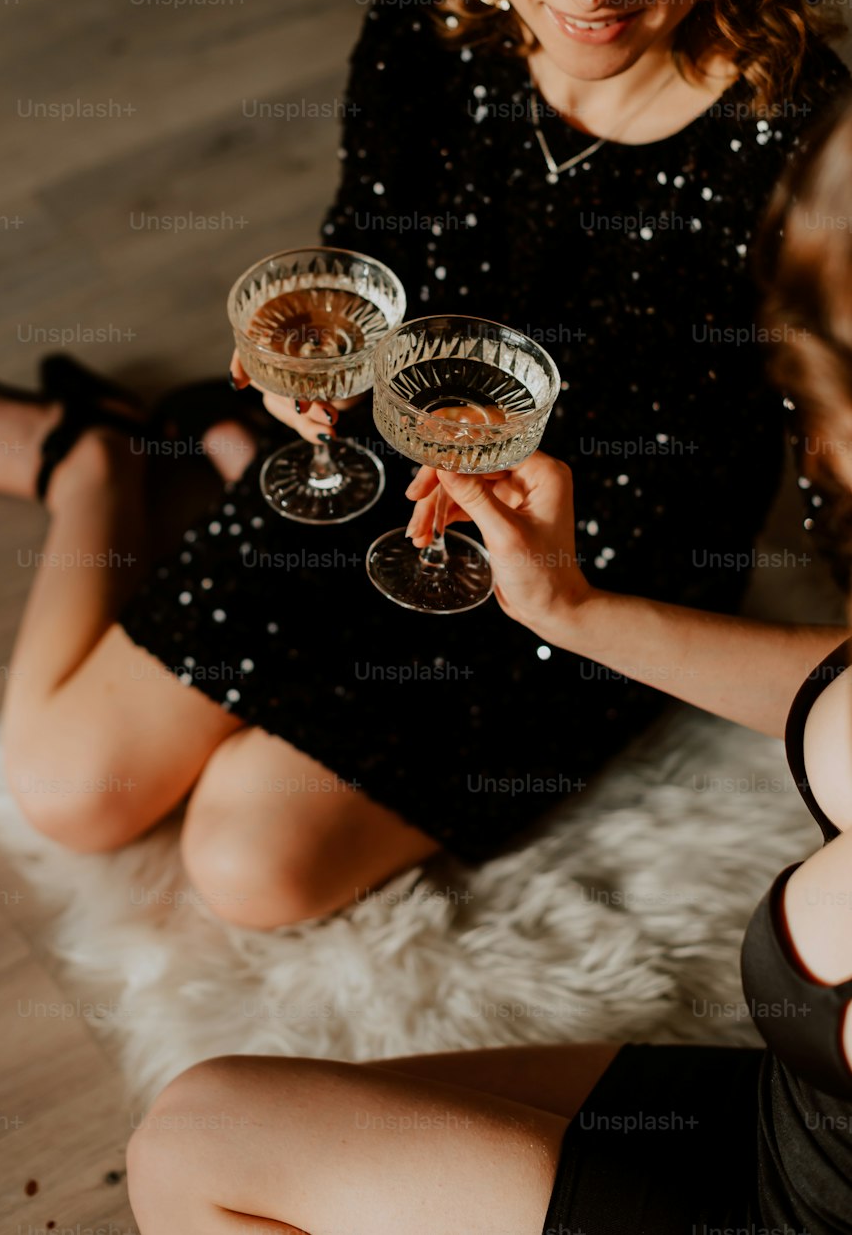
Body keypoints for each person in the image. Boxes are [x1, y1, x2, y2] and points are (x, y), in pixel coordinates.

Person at [0, 0, 849, 929]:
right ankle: (94, 461)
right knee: (68, 786)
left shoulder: (810, 153)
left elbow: (819, 464)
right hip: (377, 461)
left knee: (253, 867)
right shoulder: (422, 32)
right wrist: (322, 349)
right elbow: (367, 254)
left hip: (594, 562)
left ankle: (187, 456)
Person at [121, 82, 852, 1235]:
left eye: (819, 397)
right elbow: (836, 699)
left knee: (198, 1141)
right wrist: (569, 607)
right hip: (787, 1114)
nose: (813, 451)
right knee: (213, 1106)